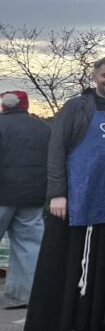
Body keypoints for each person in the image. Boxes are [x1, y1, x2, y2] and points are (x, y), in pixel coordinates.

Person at [24, 58, 105, 331]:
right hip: (76, 198)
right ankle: (63, 326)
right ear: (94, 76)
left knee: (103, 262)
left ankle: (94, 322)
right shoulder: (76, 107)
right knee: (70, 262)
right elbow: (56, 149)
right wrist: (57, 193)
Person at [0, 91, 50, 310]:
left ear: (4, 105)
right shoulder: (43, 128)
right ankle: (23, 296)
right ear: (26, 105)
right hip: (33, 197)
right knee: (29, 246)